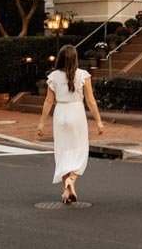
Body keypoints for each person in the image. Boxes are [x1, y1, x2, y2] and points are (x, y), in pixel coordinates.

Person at [37, 45, 105, 204]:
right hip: (76, 113)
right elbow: (90, 101)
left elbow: (48, 101)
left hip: (60, 113)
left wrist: (41, 124)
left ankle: (66, 192)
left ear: (60, 58)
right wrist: (99, 122)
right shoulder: (83, 75)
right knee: (80, 149)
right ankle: (71, 180)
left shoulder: (53, 76)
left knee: (62, 151)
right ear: (75, 59)